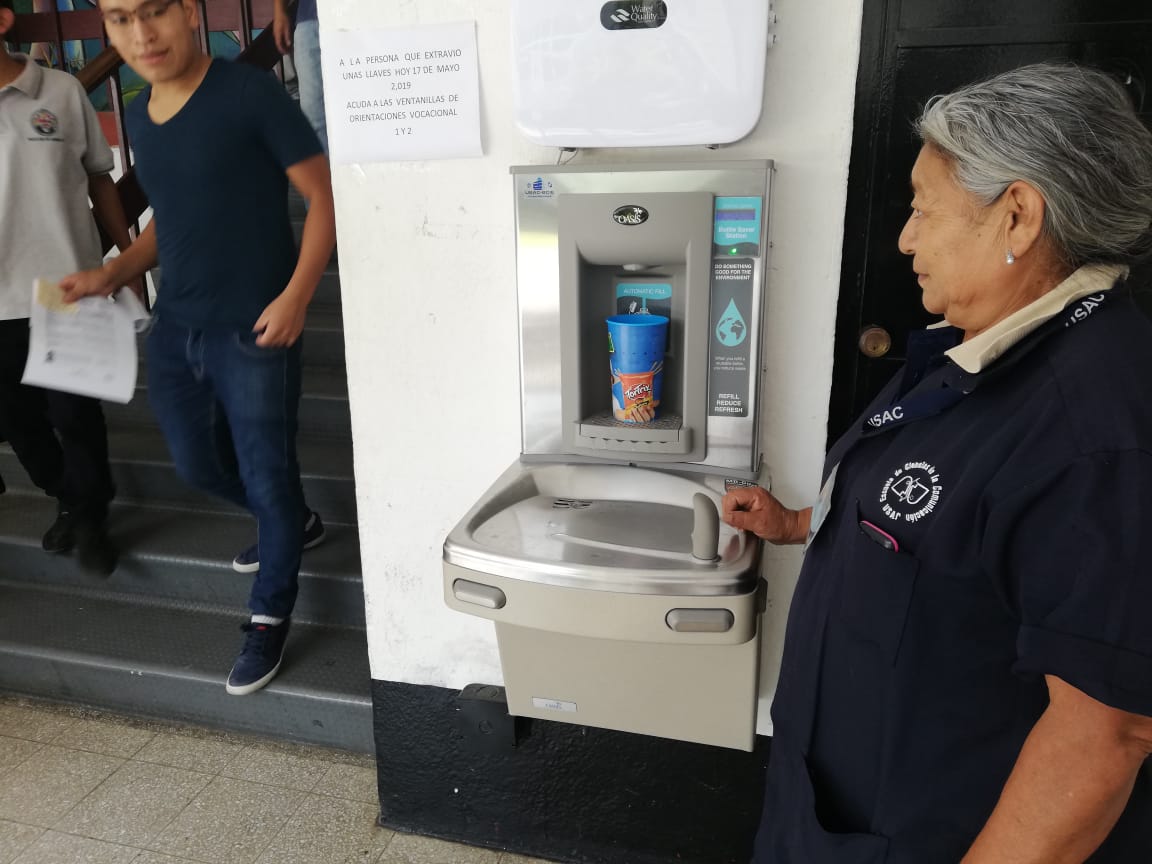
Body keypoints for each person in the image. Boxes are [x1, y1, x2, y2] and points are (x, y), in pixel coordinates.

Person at [724, 63, 1152, 863]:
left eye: (923, 208)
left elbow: (1107, 730)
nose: (905, 238)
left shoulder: (1096, 428)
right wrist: (797, 525)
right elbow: (945, 526)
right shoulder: (983, 349)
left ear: (1018, 216)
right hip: (834, 810)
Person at [60, 0, 337, 696]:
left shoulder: (249, 94)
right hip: (178, 327)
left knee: (267, 474)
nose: (140, 34)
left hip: (256, 326)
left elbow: (325, 199)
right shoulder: (146, 114)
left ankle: (270, 611)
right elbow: (168, 221)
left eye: (153, 12)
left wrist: (297, 295)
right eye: (121, 19)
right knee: (196, 463)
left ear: (186, 13)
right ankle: (292, 524)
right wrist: (112, 273)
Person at [0, 0, 135, 575]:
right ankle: (69, 496)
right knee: (19, 421)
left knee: (75, 414)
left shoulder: (58, 91)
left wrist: (129, 259)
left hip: (66, 286)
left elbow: (100, 179)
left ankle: (91, 513)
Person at [273, 0, 326, 154]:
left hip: (365, 16)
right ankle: (321, 178)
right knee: (313, 117)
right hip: (311, 17)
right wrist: (279, 11)